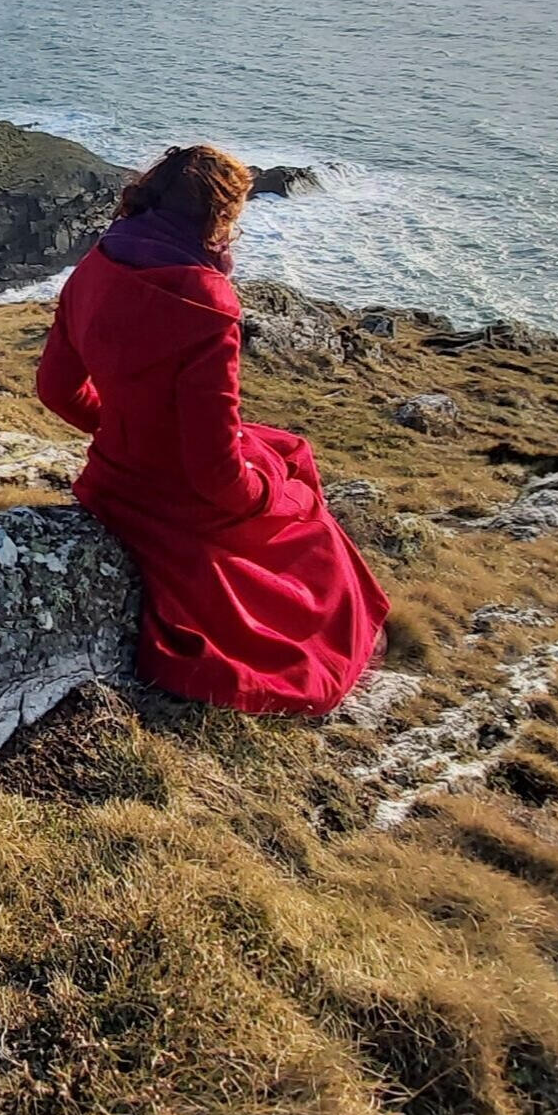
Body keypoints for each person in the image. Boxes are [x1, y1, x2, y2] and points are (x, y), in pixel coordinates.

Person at [35, 143, 389, 715]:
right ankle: (335, 633)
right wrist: (271, 494)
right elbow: (216, 476)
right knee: (303, 508)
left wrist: (131, 427)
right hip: (178, 497)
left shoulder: (95, 264)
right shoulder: (207, 300)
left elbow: (56, 389)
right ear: (216, 217)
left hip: (112, 481)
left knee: (287, 446)